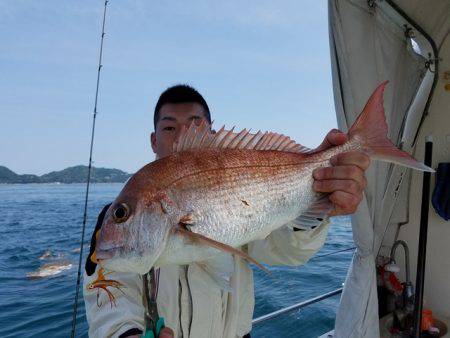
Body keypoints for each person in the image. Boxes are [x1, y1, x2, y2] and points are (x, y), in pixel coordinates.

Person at [83, 84, 370, 338]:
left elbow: (287, 250)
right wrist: (126, 334)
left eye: (195, 125)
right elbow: (108, 288)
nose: (182, 135)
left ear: (211, 134)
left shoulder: (238, 181)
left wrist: (321, 200)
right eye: (169, 128)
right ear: (154, 140)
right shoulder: (113, 219)